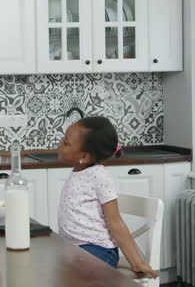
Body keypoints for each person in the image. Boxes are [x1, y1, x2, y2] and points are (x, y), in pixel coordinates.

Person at [57, 116, 157, 277]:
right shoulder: (78, 171)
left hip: (98, 249)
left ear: (84, 157)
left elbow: (115, 221)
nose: (60, 145)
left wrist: (136, 262)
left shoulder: (99, 176)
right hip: (74, 247)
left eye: (66, 143)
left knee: (72, 277)